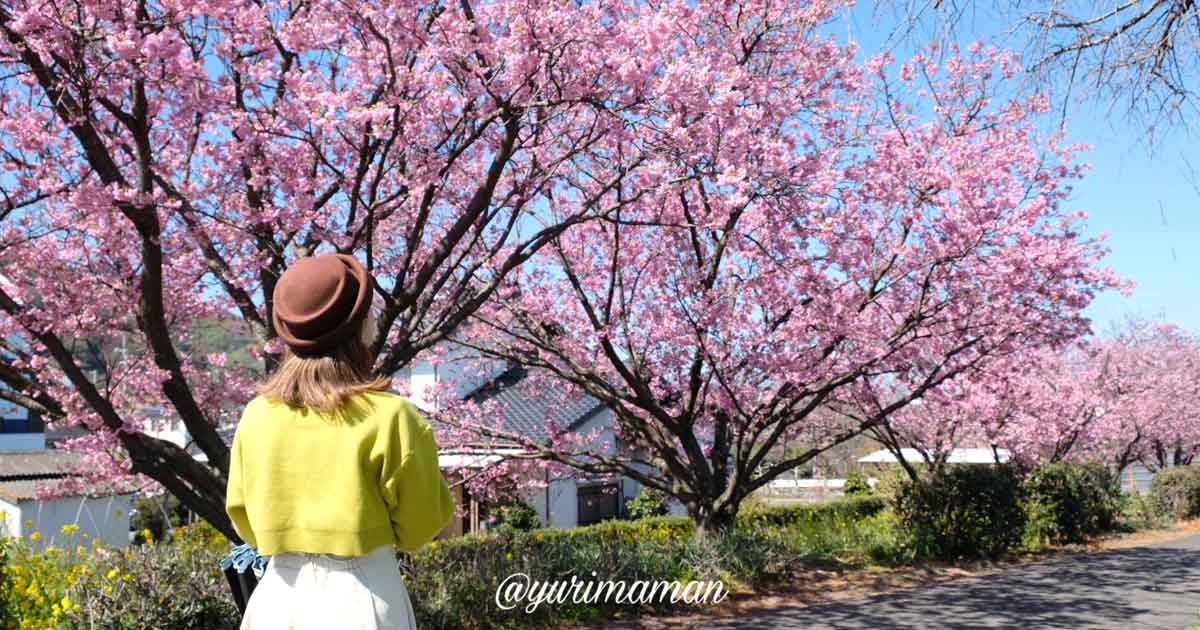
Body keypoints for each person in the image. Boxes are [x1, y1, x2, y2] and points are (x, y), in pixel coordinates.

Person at [225, 252, 455, 630]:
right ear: (358, 325)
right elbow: (420, 526)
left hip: (277, 598)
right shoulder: (391, 417)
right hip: (363, 595)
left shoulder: (257, 416)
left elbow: (244, 520)